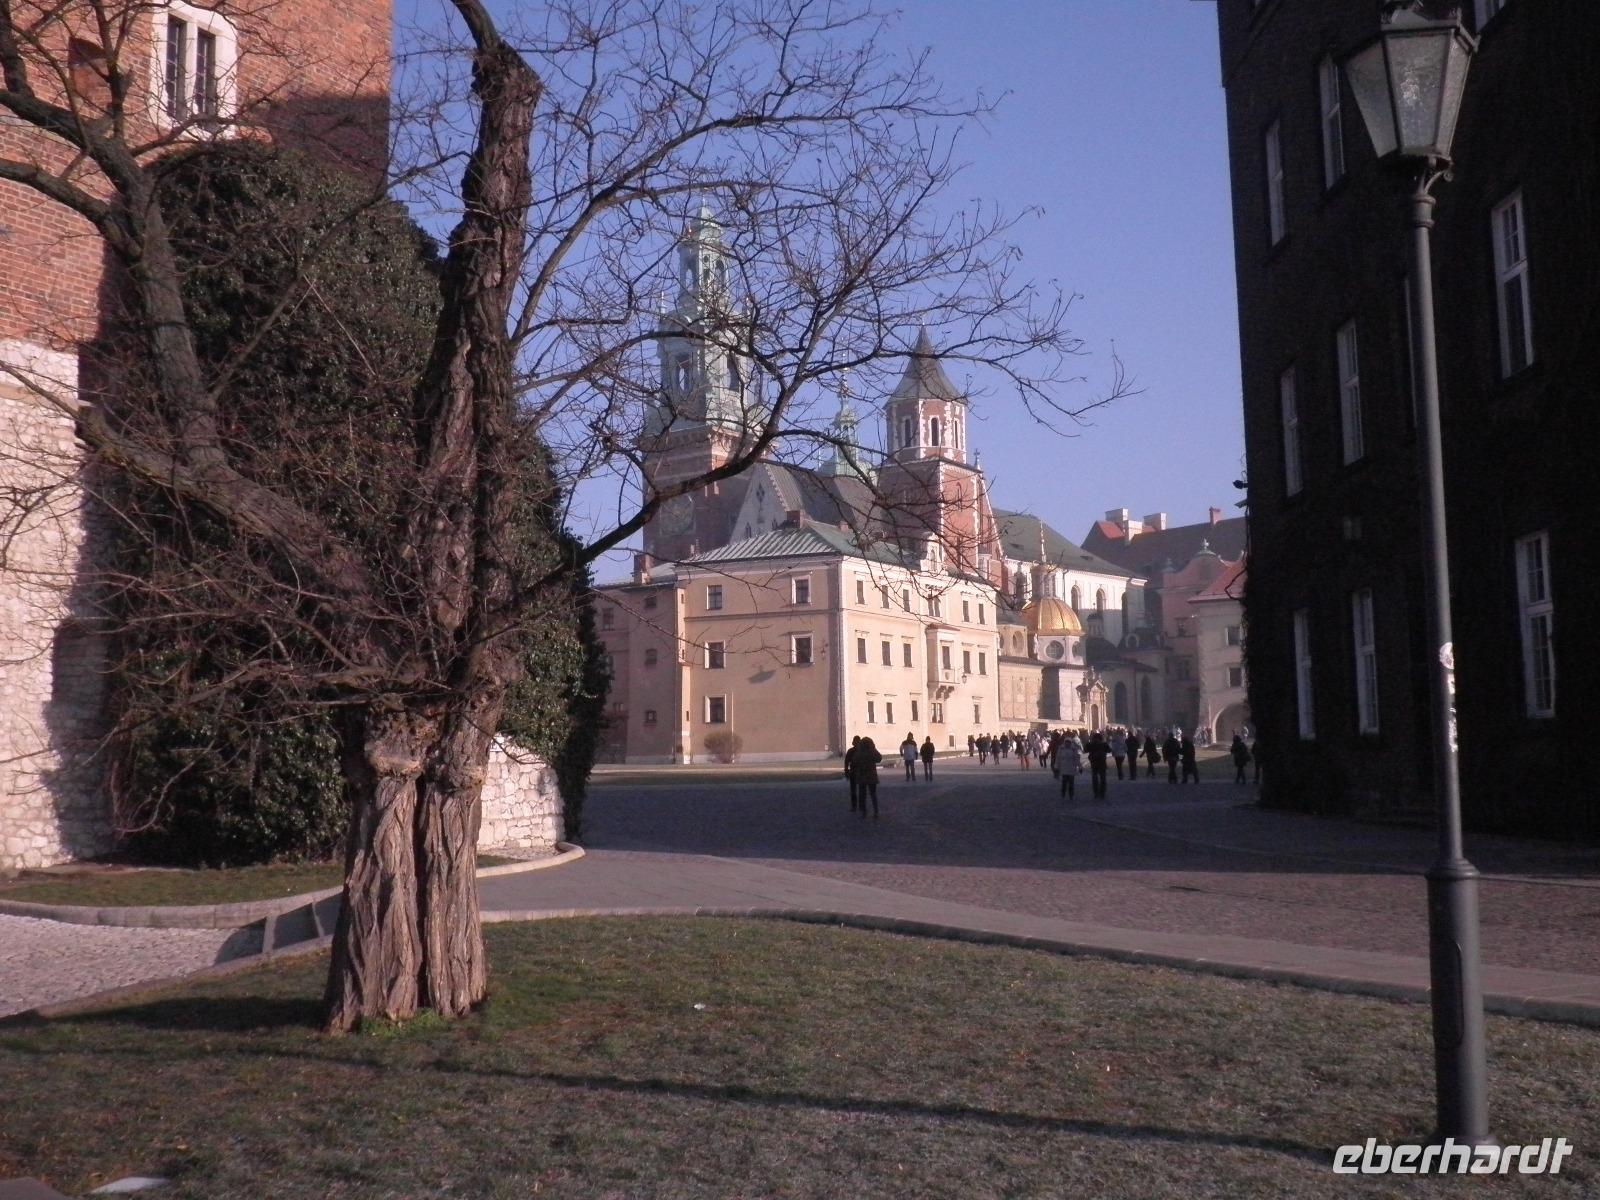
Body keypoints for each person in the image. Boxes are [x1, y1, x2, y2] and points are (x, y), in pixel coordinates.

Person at [855, 736, 882, 817]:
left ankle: (864, 811)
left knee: (863, 794)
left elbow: (855, 760)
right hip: (871, 776)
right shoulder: (872, 751)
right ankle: (876, 811)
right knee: (873, 794)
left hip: (862, 775)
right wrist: (874, 749)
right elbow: (879, 758)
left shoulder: (860, 752)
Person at [1053, 731, 1081, 800]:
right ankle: (1063, 793)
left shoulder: (1073, 749)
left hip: (1071, 769)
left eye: (1068, 742)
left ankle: (1071, 795)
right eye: (1066, 742)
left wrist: (1080, 767)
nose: (1067, 743)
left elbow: (1076, 759)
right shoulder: (1061, 748)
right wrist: (1056, 767)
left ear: (1070, 743)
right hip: (1064, 768)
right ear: (1065, 742)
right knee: (1064, 783)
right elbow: (1058, 758)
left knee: (1071, 783)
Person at [1086, 729, 1111, 799]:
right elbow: (1109, 750)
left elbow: (1085, 750)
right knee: (1103, 778)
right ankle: (1102, 792)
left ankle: (1096, 792)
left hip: (1094, 763)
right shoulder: (1104, 744)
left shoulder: (1091, 744)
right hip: (1102, 763)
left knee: (1094, 778)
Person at [844, 735, 862, 813]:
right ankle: (857, 806)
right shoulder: (854, 751)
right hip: (856, 772)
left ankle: (856, 806)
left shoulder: (853, 751)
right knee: (855, 790)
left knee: (857, 790)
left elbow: (846, 762)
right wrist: (846, 770)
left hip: (858, 772)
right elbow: (846, 761)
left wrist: (846, 770)